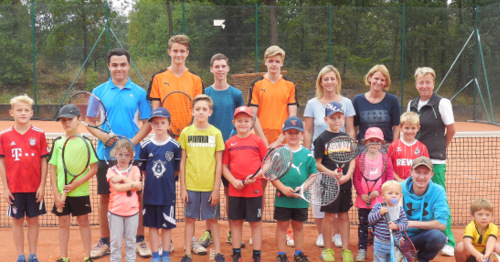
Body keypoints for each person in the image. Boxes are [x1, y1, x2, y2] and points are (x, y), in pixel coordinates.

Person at [89, 48, 152, 259]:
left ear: (129, 65)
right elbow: (90, 124)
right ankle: (105, 241)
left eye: (123, 64)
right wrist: (104, 137)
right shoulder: (97, 91)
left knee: (137, 194)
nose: (119, 68)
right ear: (109, 66)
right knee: (105, 197)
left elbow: (147, 124)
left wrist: (129, 144)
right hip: (106, 154)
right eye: (114, 65)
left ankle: (140, 239)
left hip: (134, 155)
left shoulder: (140, 93)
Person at [248, 45, 298, 244]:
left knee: (284, 188)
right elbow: (253, 114)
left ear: (282, 63)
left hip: (282, 144)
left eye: (277, 61)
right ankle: (255, 231)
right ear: (265, 62)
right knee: (258, 189)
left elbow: (292, 116)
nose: (274, 64)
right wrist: (263, 141)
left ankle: (287, 232)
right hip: (260, 144)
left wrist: (279, 140)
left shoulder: (289, 86)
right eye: (271, 60)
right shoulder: (257, 84)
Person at [303, 65, 355, 248]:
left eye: (333, 78)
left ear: (337, 80)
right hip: (318, 157)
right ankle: (321, 235)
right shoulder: (312, 103)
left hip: (341, 156)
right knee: (320, 198)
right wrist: (306, 155)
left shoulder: (347, 102)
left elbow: (349, 130)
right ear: (321, 82)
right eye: (326, 79)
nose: (329, 82)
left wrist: (349, 157)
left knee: (340, 200)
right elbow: (308, 132)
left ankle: (338, 235)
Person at [407, 67, 456, 256]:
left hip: (434, 160)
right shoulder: (412, 103)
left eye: (428, 82)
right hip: (414, 160)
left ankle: (448, 240)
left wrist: (439, 149)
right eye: (421, 82)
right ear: (416, 84)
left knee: (439, 198)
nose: (424, 86)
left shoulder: (442, 103)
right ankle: (416, 236)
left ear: (433, 83)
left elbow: (450, 130)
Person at [200, 53, 245, 249]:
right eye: (216, 66)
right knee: (210, 192)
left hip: (230, 151)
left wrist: (233, 140)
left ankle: (230, 232)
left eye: (223, 66)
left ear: (228, 69)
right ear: (211, 69)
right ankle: (209, 232)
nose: (219, 69)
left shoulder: (236, 94)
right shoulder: (206, 92)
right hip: (208, 151)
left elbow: (240, 119)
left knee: (230, 192)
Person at [0, 95, 49, 262]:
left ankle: (33, 255)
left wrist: (42, 185)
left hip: (34, 188)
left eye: (26, 110)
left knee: (33, 221)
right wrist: (6, 188)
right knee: (17, 221)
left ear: (32, 113)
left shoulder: (39, 134)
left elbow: (44, 161)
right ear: (11, 112)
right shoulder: (4, 135)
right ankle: (20, 256)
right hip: (15, 189)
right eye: (19, 110)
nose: (23, 113)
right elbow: (2, 162)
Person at [178, 94, 225, 262]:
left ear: (210, 112)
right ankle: (187, 254)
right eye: (197, 109)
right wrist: (183, 188)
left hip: (209, 187)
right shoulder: (186, 132)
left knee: (212, 220)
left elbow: (219, 163)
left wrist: (216, 189)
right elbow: (182, 162)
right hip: (190, 186)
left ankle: (218, 253)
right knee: (189, 219)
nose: (201, 112)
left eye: (204, 109)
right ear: (192, 111)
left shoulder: (216, 133)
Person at [49, 104, 98, 262]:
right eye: (63, 120)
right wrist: (56, 194)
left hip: (80, 192)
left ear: (79, 120)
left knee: (83, 222)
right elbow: (52, 168)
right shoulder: (57, 142)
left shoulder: (86, 142)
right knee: (63, 222)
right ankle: (64, 257)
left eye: (70, 119)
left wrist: (76, 184)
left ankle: (87, 256)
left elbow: (93, 168)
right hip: (62, 193)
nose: (66, 123)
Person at [222, 106, 267, 262]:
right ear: (234, 122)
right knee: (235, 222)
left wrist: (255, 177)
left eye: (246, 121)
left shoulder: (258, 141)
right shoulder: (229, 143)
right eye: (239, 121)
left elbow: (267, 164)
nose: (242, 124)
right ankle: (236, 254)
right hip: (235, 190)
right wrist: (234, 181)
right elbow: (224, 167)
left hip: (254, 190)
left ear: (252, 122)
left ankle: (257, 255)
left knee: (255, 223)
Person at [313, 102, 355, 262]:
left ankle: (345, 250)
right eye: (332, 118)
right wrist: (331, 174)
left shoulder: (347, 138)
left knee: (344, 215)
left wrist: (347, 176)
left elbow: (352, 161)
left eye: (339, 117)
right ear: (326, 119)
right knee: (329, 216)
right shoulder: (321, 139)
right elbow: (317, 163)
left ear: (343, 118)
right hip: (328, 183)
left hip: (345, 183)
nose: (336, 121)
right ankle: (327, 249)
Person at [272, 116, 317, 262]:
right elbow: (272, 175)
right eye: (289, 132)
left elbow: (313, 175)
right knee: (282, 226)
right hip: (282, 198)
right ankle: (281, 254)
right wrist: (282, 188)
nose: (293, 136)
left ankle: (298, 254)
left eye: (296, 133)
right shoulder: (279, 152)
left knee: (298, 226)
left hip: (300, 199)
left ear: (302, 134)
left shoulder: (307, 154)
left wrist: (303, 188)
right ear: (284, 134)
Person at [139, 107, 181, 262]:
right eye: (155, 123)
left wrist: (165, 181)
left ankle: (165, 254)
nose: (159, 126)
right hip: (150, 194)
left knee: (167, 226)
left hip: (167, 194)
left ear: (169, 124)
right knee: (152, 226)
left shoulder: (175, 146)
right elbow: (143, 171)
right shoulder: (145, 146)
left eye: (163, 122)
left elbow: (176, 171)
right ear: (151, 125)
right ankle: (155, 254)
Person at [353, 127, 394, 261]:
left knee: (379, 226)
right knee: (363, 226)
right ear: (365, 142)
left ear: (381, 144)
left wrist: (380, 191)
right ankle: (362, 249)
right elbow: (356, 178)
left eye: (377, 141)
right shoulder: (360, 158)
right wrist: (361, 193)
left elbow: (389, 177)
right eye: (371, 140)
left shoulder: (385, 158)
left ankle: (378, 249)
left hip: (379, 201)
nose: (374, 144)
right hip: (363, 200)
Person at [401, 156, 449, 262]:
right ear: (411, 172)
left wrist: (411, 223)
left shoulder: (438, 191)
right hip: (401, 238)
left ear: (432, 174)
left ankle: (421, 259)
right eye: (418, 172)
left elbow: (441, 224)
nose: (421, 177)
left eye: (426, 173)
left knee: (439, 238)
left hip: (423, 236)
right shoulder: (399, 188)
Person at [106, 139, 142, 262]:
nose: (123, 158)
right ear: (115, 154)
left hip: (132, 213)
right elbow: (118, 188)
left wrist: (122, 178)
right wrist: (133, 184)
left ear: (131, 157)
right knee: (115, 244)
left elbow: (139, 186)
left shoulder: (135, 169)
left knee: (131, 243)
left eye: (127, 155)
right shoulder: (111, 171)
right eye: (120, 154)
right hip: (115, 213)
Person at [147, 34, 204, 112]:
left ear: (187, 53)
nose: (178, 55)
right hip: (165, 124)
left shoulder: (196, 79)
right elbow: (156, 111)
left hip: (190, 124)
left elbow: (198, 110)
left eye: (182, 51)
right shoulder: (157, 77)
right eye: (175, 51)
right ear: (169, 52)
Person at [353, 64, 401, 144]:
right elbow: (354, 128)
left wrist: (394, 148)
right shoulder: (357, 100)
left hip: (385, 149)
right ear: (369, 78)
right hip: (364, 149)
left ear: (386, 82)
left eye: (382, 80)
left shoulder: (393, 100)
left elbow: (396, 128)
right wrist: (354, 147)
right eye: (376, 78)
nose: (379, 82)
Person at [368, 180, 408, 262]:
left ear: (400, 196)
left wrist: (397, 226)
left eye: (397, 194)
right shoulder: (378, 207)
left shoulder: (400, 210)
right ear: (383, 195)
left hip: (395, 244)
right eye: (390, 193)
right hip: (380, 243)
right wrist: (379, 213)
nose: (394, 196)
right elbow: (370, 219)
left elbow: (405, 224)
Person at [387, 112, 429, 182]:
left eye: (413, 128)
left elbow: (426, 168)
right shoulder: (394, 146)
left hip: (415, 185)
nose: (410, 131)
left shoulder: (422, 148)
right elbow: (388, 166)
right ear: (400, 127)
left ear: (418, 128)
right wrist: (398, 179)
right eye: (406, 128)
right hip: (398, 185)